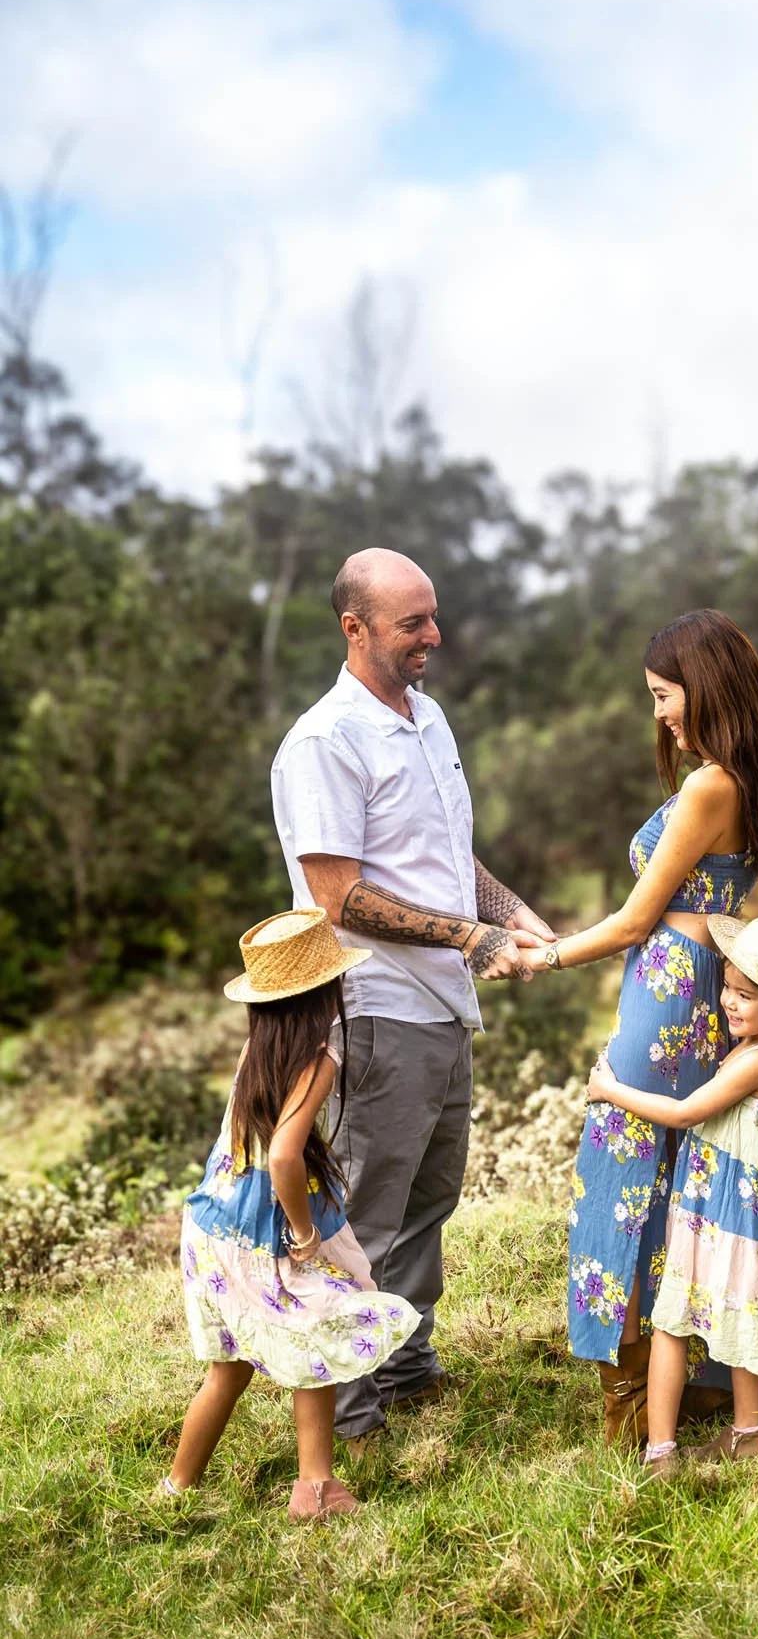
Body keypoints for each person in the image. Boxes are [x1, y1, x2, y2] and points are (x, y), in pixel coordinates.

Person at [271, 548, 552, 1454]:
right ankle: (350, 1414)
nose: (434, 636)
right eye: (411, 624)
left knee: (430, 1199)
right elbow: (339, 895)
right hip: (374, 1006)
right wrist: (475, 940)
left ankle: (406, 1363)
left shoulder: (426, 718)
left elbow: (444, 857)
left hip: (442, 1008)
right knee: (369, 1214)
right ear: (353, 629)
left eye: (432, 616)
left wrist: (513, 915)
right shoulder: (325, 741)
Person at [525, 610, 758, 1445]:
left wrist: (542, 957)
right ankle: (699, 1378)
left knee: (621, 1174)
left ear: (702, 687)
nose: (659, 715)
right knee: (687, 1175)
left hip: (669, 992)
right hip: (712, 983)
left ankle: (629, 1388)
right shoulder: (751, 778)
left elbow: (636, 921)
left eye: (663, 695)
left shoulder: (708, 785)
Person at [163, 909, 422, 1520]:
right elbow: (284, 1154)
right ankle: (314, 1489)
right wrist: (305, 1233)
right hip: (262, 1235)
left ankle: (175, 1489)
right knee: (320, 1331)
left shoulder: (260, 1047)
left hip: (208, 1228)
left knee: (225, 1373)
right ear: (325, 990)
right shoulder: (318, 1058)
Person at [587, 914, 758, 1476]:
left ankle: (661, 1450)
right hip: (742, 1217)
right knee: (743, 1316)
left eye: (747, 996)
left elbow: (684, 1112)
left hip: (722, 1215)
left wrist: (611, 1090)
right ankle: (749, 1434)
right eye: (728, 987)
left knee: (672, 1323)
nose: (730, 1003)